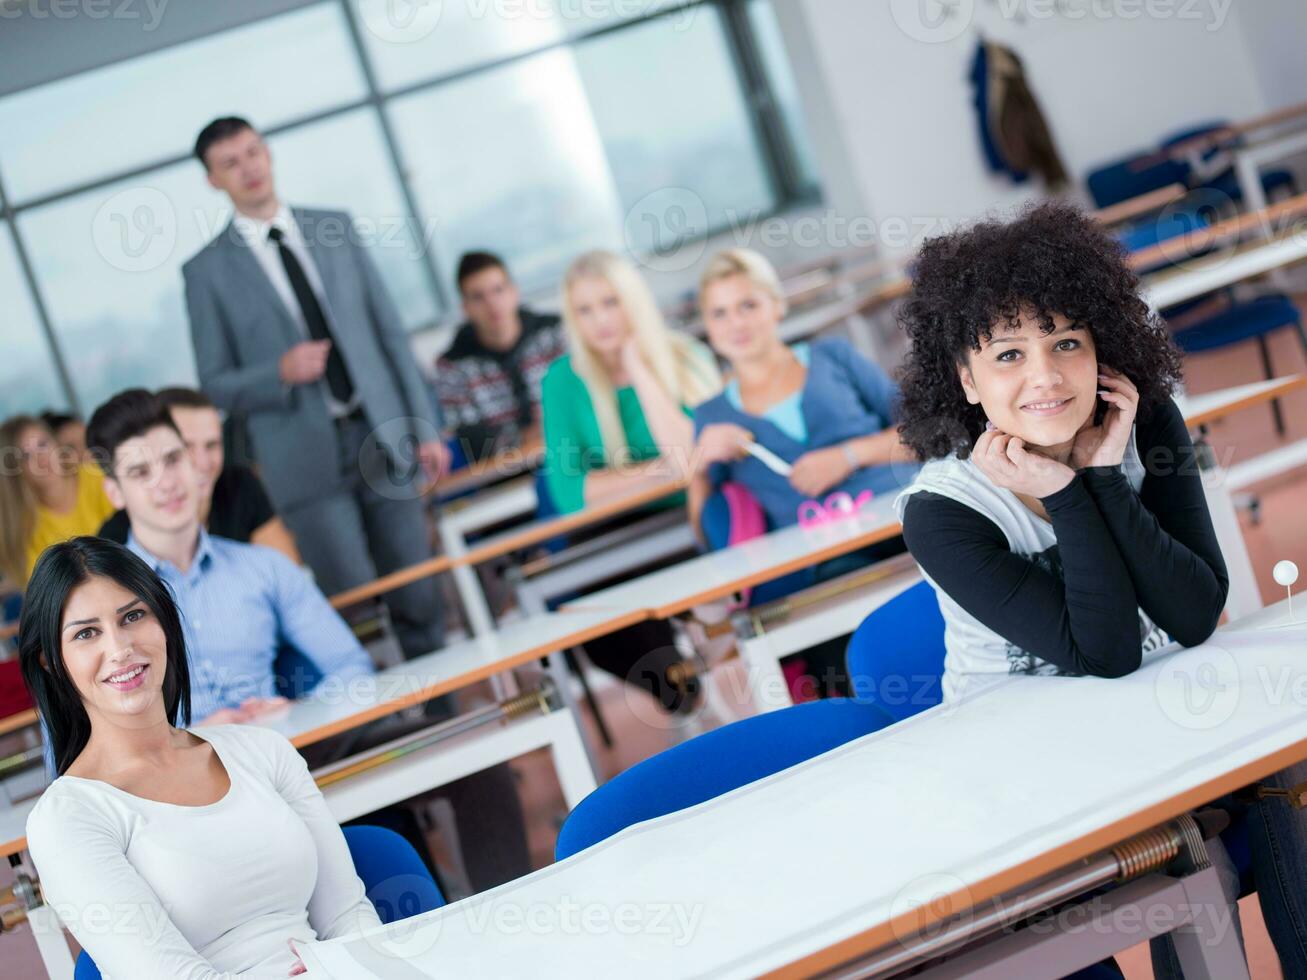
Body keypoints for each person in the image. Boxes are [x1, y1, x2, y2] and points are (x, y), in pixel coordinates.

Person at [893, 201, 1307, 978]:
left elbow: (1192, 614)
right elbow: (1105, 650)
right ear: (966, 380)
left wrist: (1100, 476)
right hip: (1027, 768)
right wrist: (1071, 492)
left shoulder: (1144, 424)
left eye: (1066, 344)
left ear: (1102, 352)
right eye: (1008, 355)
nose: (1045, 377)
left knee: (1287, 772)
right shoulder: (941, 513)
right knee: (1192, 848)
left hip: (1159, 713)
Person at [84, 389, 532, 892]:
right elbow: (91, 744)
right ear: (116, 494)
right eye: (141, 473)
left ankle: (510, 927)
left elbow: (349, 665)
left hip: (290, 751)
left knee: (475, 750)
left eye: (172, 459)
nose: (167, 482)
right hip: (183, 784)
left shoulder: (262, 568)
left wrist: (291, 710)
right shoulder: (103, 602)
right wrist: (195, 734)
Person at [21, 536, 380, 978]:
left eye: (133, 616)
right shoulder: (67, 819)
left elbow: (349, 917)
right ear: (51, 662)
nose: (120, 649)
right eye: (86, 633)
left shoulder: (262, 751)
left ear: (164, 623)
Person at [183, 116, 447, 661]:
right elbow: (215, 385)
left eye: (253, 152)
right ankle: (392, 727)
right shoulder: (206, 271)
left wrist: (425, 425)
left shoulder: (335, 227)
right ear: (213, 180)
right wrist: (278, 372)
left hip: (383, 434)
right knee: (349, 599)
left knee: (419, 589)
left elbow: (390, 336)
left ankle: (453, 716)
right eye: (230, 163)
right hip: (303, 462)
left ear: (268, 154)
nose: (248, 168)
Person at [541, 250, 721, 713]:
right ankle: (681, 690)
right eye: (585, 310)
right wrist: (658, 473)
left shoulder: (685, 355)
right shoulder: (562, 381)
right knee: (600, 628)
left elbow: (697, 458)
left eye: (611, 303)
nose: (600, 321)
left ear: (634, 303)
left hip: (695, 516)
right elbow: (569, 493)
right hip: (615, 536)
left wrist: (640, 368)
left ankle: (698, 679)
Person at [690, 248, 915, 536]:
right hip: (818, 560)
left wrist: (848, 456)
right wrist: (698, 468)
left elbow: (927, 434)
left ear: (777, 306)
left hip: (905, 516)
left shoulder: (834, 356)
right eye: (719, 313)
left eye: (748, 305)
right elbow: (706, 536)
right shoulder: (711, 417)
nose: (736, 323)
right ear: (708, 327)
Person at [99, 387, 300, 564]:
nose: (203, 463)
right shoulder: (114, 545)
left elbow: (288, 577)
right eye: (185, 448)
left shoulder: (239, 484)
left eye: (212, 445)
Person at [437, 251, 567, 461]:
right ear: (465, 308)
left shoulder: (556, 333)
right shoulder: (452, 367)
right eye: (478, 297)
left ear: (514, 292)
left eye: (498, 290)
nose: (492, 304)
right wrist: (527, 437)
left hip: (574, 454)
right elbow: (472, 441)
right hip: (505, 475)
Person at [0, 415, 115, 589]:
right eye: (27, 455)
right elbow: (48, 590)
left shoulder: (95, 477)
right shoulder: (27, 525)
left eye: (43, 444)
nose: (42, 459)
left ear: (56, 444)